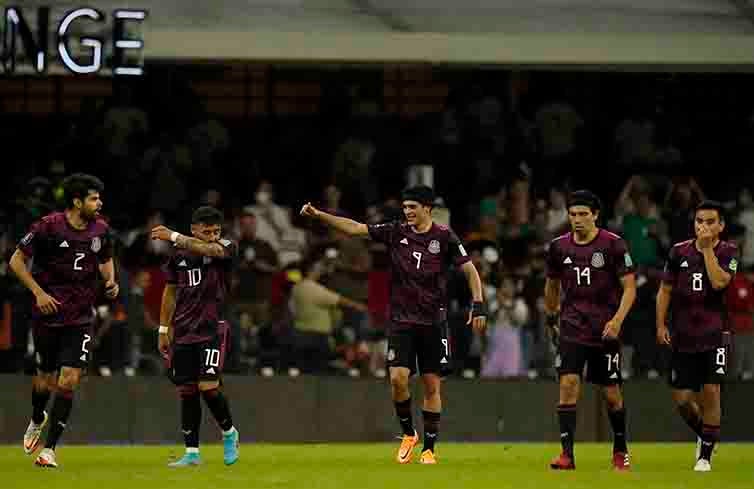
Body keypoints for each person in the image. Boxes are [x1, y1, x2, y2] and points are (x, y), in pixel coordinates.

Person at [300, 185, 486, 465]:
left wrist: (479, 304)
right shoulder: (396, 231)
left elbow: (470, 271)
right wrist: (319, 215)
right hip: (402, 321)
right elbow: (355, 229)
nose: (407, 212)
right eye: (405, 207)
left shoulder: (445, 237)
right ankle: (409, 433)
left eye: (413, 207)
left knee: (431, 385)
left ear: (427, 208)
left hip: (434, 322)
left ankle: (429, 449)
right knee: (398, 380)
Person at [9, 173, 119, 468]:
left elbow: (106, 258)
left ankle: (50, 450)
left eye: (99, 197)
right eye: (94, 198)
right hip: (47, 315)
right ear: (77, 201)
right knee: (44, 378)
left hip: (81, 317)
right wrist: (38, 293)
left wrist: (111, 281)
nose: (99, 203)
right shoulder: (48, 226)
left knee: (69, 379)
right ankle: (36, 417)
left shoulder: (101, 230)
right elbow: (16, 261)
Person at [543, 190, 637, 471]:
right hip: (572, 326)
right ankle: (566, 455)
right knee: (568, 385)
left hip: (605, 329)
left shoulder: (614, 245)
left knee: (611, 393)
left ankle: (620, 449)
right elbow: (552, 285)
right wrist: (551, 316)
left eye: (583, 214)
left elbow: (630, 288)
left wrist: (618, 320)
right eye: (573, 215)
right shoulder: (558, 247)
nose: (577, 220)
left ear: (595, 215)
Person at [150, 206, 240, 467]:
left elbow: (210, 250)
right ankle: (192, 453)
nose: (212, 236)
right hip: (184, 330)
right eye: (207, 231)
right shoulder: (178, 257)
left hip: (213, 328)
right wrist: (164, 329)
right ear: (194, 229)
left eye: (216, 231)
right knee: (187, 390)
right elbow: (169, 293)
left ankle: (229, 433)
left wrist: (173, 236)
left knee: (208, 387)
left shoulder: (226, 247)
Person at [656, 200, 738, 472]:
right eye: (699, 221)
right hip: (683, 334)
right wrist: (660, 325)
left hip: (716, 334)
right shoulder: (678, 252)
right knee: (681, 400)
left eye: (710, 222)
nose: (703, 226)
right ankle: (707, 434)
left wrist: (706, 252)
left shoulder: (730, 251)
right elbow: (665, 290)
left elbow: (719, 282)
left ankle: (704, 456)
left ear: (721, 226)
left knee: (711, 392)